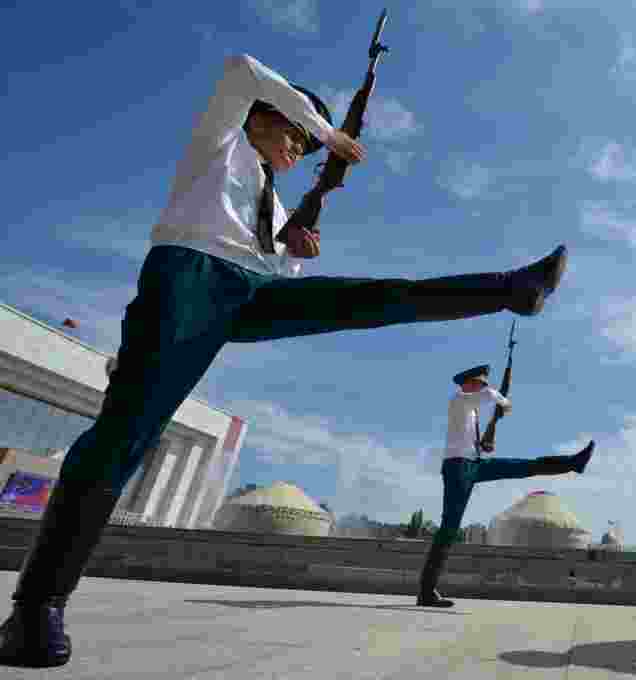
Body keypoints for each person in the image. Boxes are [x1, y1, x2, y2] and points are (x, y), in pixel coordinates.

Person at [0, 54, 569, 668]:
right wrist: (330, 133)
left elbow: (274, 271)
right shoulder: (217, 144)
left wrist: (294, 249)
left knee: (380, 298)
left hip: (249, 293)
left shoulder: (272, 202)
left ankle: (510, 288)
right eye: (294, 130)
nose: (300, 145)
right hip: (188, 282)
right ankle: (36, 608)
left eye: (307, 138)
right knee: (122, 440)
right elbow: (241, 69)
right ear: (261, 118)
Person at [416, 364, 595, 607]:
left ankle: (573, 463)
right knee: (449, 528)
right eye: (480, 383)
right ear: (467, 384)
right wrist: (504, 402)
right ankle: (426, 592)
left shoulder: (472, 410)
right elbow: (490, 397)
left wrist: (483, 444)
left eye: (483, 384)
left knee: (523, 466)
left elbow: (469, 438)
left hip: (473, 464)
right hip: (458, 468)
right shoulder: (458, 400)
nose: (483, 387)